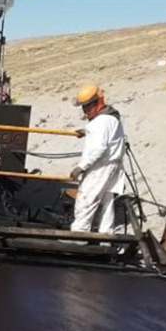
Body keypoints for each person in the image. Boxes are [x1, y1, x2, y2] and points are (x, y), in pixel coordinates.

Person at [69, 84, 128, 234]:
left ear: (98, 102)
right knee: (106, 202)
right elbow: (106, 136)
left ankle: (79, 235)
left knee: (86, 198)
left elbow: (98, 149)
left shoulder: (100, 122)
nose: (86, 110)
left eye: (88, 106)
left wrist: (80, 167)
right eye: (84, 107)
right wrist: (87, 131)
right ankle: (106, 236)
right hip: (113, 164)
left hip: (101, 166)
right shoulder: (110, 118)